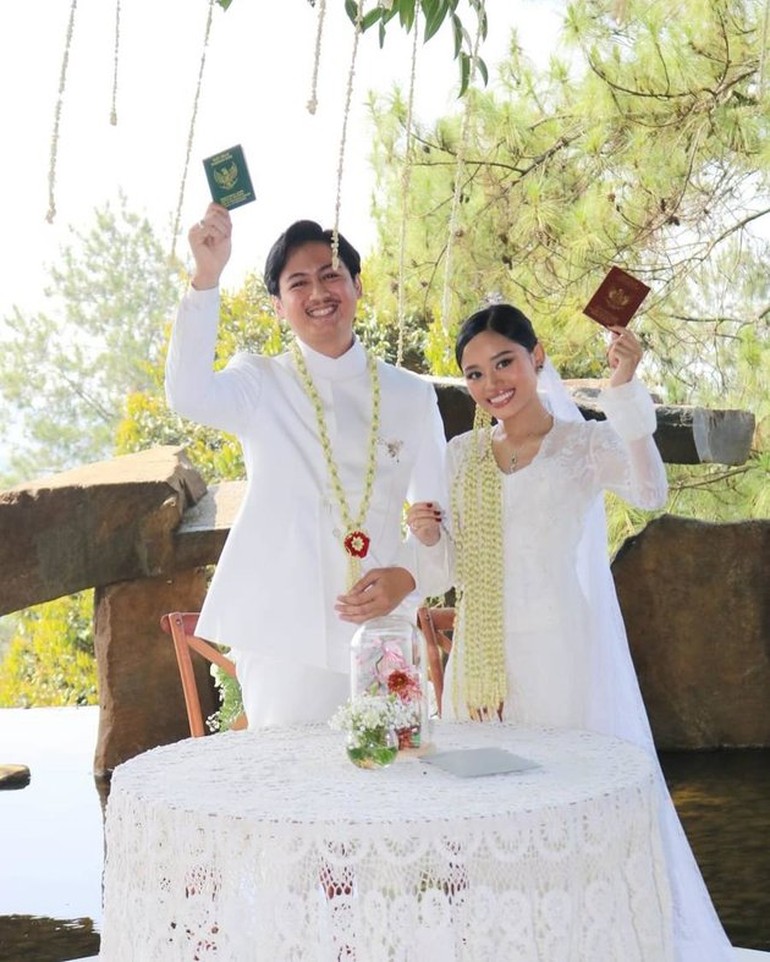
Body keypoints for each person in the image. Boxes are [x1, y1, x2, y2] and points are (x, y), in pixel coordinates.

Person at [407, 302, 734, 961]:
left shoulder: (582, 445)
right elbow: (444, 568)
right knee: (484, 816)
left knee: (564, 808)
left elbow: (650, 492)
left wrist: (623, 391)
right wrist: (424, 534)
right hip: (481, 661)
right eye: (475, 373)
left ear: (538, 357)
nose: (493, 382)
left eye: (505, 361)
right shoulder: (462, 455)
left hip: (561, 650)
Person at [165, 203, 447, 728]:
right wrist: (206, 278)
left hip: (383, 628)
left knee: (393, 786)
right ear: (277, 304)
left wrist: (408, 576)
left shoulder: (411, 395)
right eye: (298, 283)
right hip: (283, 637)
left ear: (358, 286)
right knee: (291, 795)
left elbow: (442, 521)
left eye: (330, 275)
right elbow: (187, 394)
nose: (318, 294)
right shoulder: (259, 383)